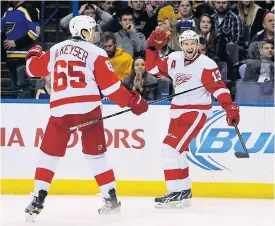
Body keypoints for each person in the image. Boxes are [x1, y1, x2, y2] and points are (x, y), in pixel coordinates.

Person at [24, 15, 148, 221]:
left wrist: (33, 53)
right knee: (96, 156)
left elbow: (32, 69)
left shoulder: (56, 49)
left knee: (49, 155)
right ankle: (110, 198)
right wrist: (134, 102)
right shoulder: (96, 52)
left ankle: (37, 198)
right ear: (84, 31)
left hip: (60, 109)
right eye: (92, 30)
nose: (96, 34)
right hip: (88, 109)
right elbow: (111, 88)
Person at [145, 29, 240, 208]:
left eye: (193, 43)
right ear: (181, 45)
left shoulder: (206, 64)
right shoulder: (174, 59)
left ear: (198, 45)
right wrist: (151, 48)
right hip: (177, 111)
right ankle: (184, 192)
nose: (190, 47)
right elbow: (152, 68)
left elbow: (218, 88)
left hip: (196, 111)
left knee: (169, 149)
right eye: (186, 43)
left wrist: (229, 107)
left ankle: (174, 192)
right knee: (178, 151)